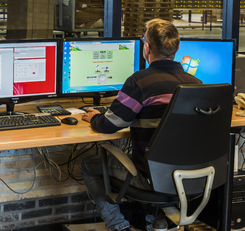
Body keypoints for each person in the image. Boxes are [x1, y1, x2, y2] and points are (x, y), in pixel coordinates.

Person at [80, 19, 202, 231]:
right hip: (189, 179)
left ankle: (117, 225)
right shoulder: (196, 85)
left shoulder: (141, 81)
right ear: (176, 48)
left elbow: (110, 125)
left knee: (89, 165)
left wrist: (92, 117)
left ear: (147, 48)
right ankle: (151, 219)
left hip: (149, 178)